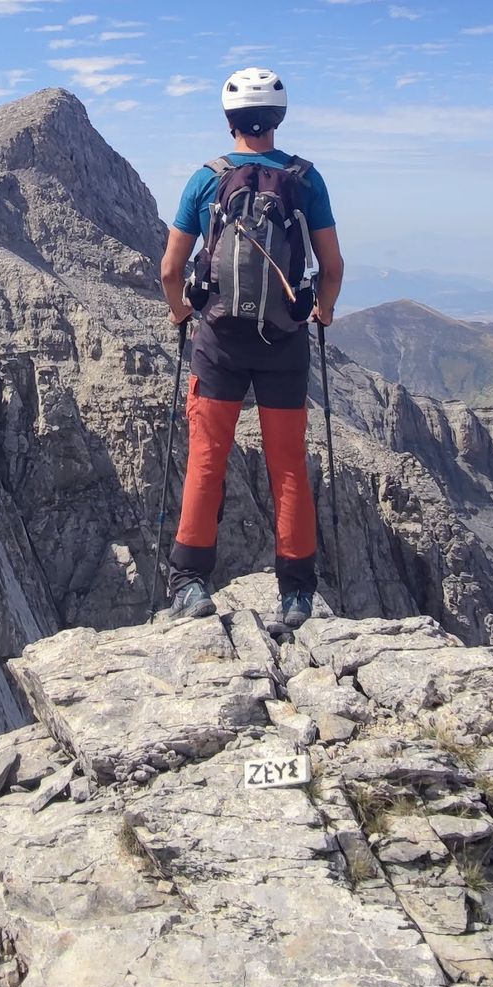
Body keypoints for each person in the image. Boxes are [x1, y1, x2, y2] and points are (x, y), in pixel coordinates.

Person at [157, 67, 343, 633]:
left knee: (207, 459)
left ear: (229, 119)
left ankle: (190, 584)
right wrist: (321, 313)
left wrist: (180, 312)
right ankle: (296, 595)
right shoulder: (305, 180)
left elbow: (170, 269)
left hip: (218, 342)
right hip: (283, 341)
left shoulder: (205, 180)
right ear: (278, 118)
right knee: (288, 465)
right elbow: (331, 267)